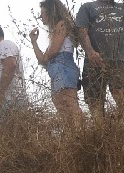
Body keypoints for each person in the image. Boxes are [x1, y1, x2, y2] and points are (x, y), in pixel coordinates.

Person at [76, 0, 124, 120]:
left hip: (120, 60)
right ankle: (100, 129)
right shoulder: (88, 7)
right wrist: (90, 52)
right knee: (94, 101)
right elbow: (82, 31)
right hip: (95, 61)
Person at [30, 0, 84, 129]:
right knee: (61, 106)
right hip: (56, 69)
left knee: (69, 104)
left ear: (51, 11)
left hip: (64, 66)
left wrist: (46, 56)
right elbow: (43, 60)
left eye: (43, 12)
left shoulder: (62, 24)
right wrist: (34, 42)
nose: (40, 16)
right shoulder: (55, 31)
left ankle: (82, 134)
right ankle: (73, 134)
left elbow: (52, 52)